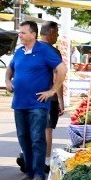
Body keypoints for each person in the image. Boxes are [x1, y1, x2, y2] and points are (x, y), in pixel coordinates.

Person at [6, 20, 65, 180]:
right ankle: (29, 173)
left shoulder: (45, 50)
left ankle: (39, 174)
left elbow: (62, 69)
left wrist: (53, 91)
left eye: (23, 32)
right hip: (19, 103)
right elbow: (10, 68)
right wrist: (7, 81)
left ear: (33, 34)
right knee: (23, 138)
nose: (20, 35)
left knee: (37, 138)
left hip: (38, 104)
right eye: (20, 32)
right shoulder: (19, 52)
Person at [39, 21, 65, 162]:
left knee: (33, 129)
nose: (58, 36)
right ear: (51, 32)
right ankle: (46, 161)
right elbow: (58, 76)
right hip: (49, 97)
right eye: (57, 33)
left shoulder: (31, 48)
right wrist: (60, 100)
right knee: (47, 129)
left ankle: (27, 155)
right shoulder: (53, 52)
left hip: (32, 96)